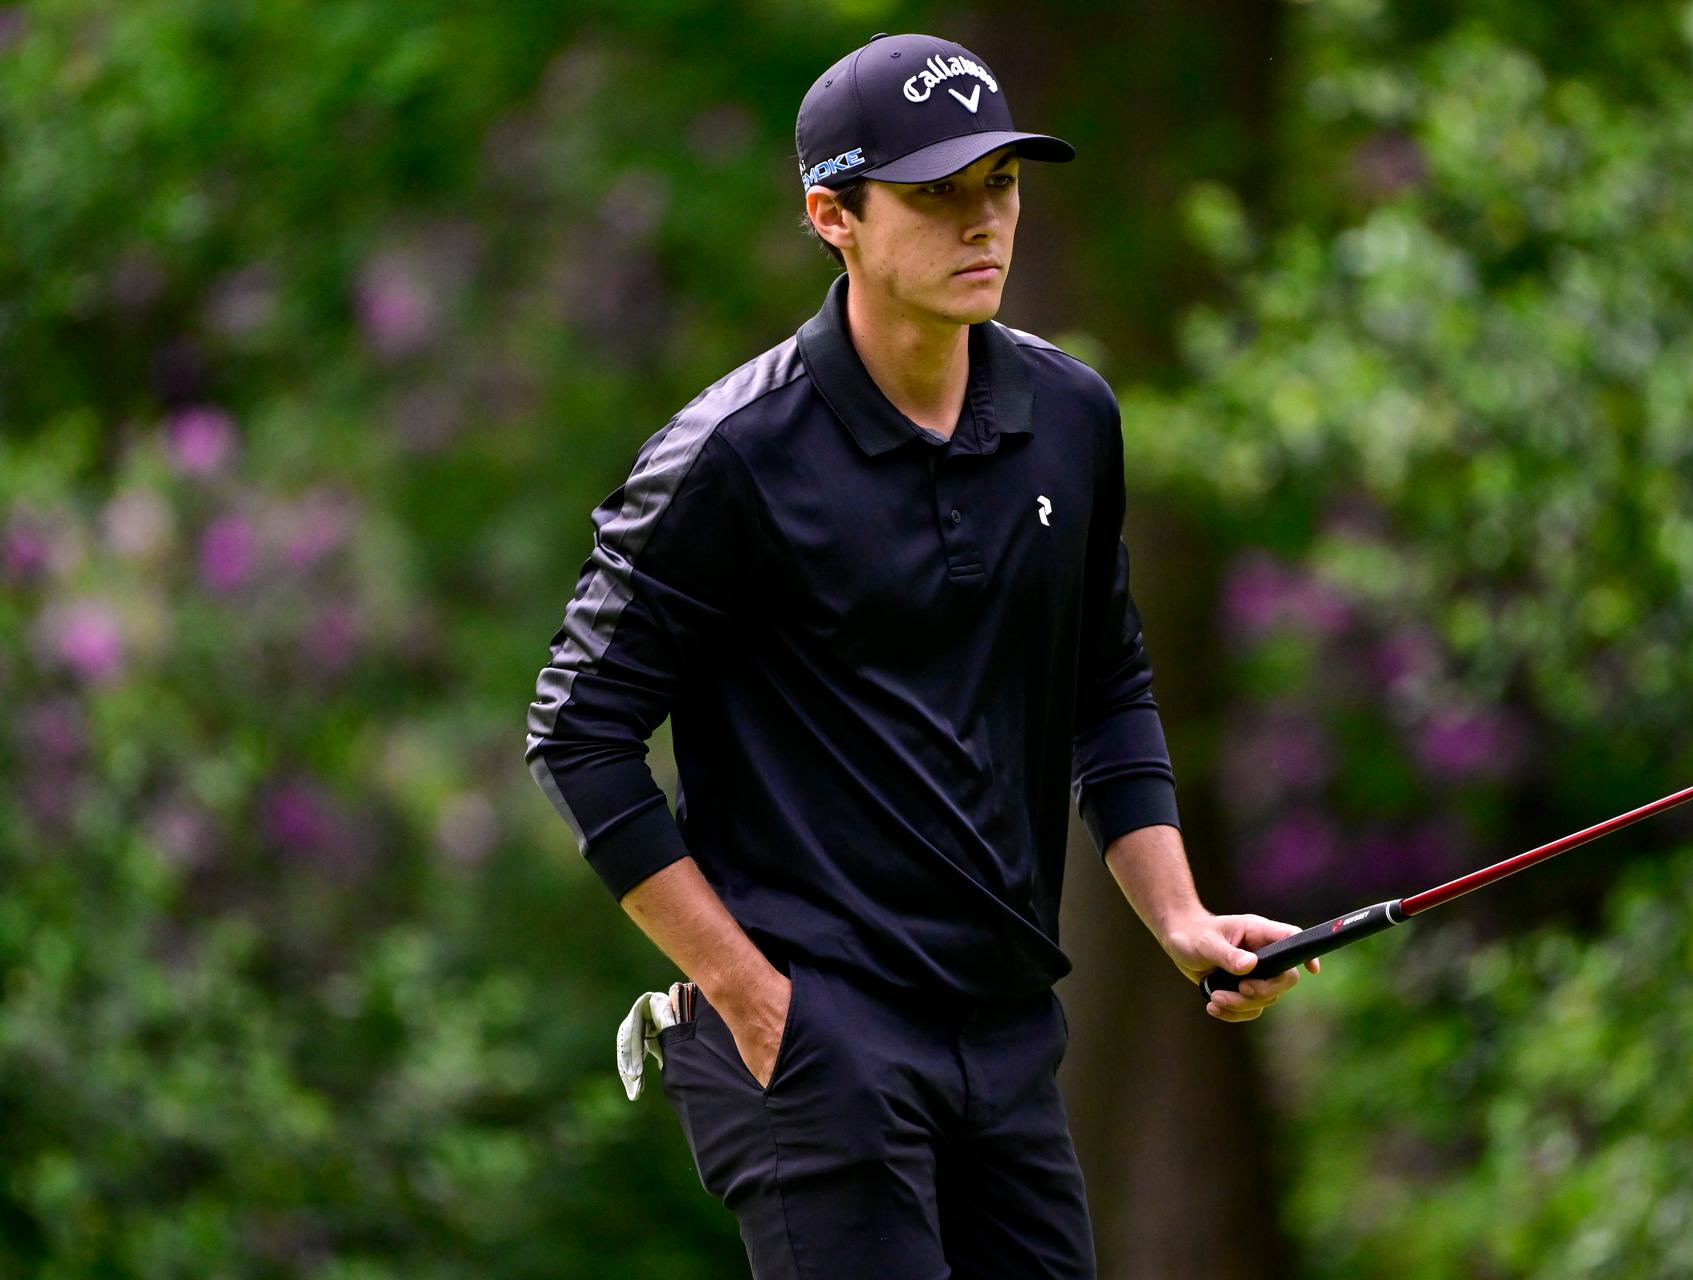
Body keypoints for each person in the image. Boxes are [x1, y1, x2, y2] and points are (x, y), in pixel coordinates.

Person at [524, 31, 1318, 1279]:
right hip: (815, 1038)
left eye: (998, 183)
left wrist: (1178, 914)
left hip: (1007, 1035)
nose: (981, 221)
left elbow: (1102, 683)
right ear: (830, 214)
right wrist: (746, 994)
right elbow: (577, 731)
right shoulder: (730, 456)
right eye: (936, 193)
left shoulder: (1069, 417)